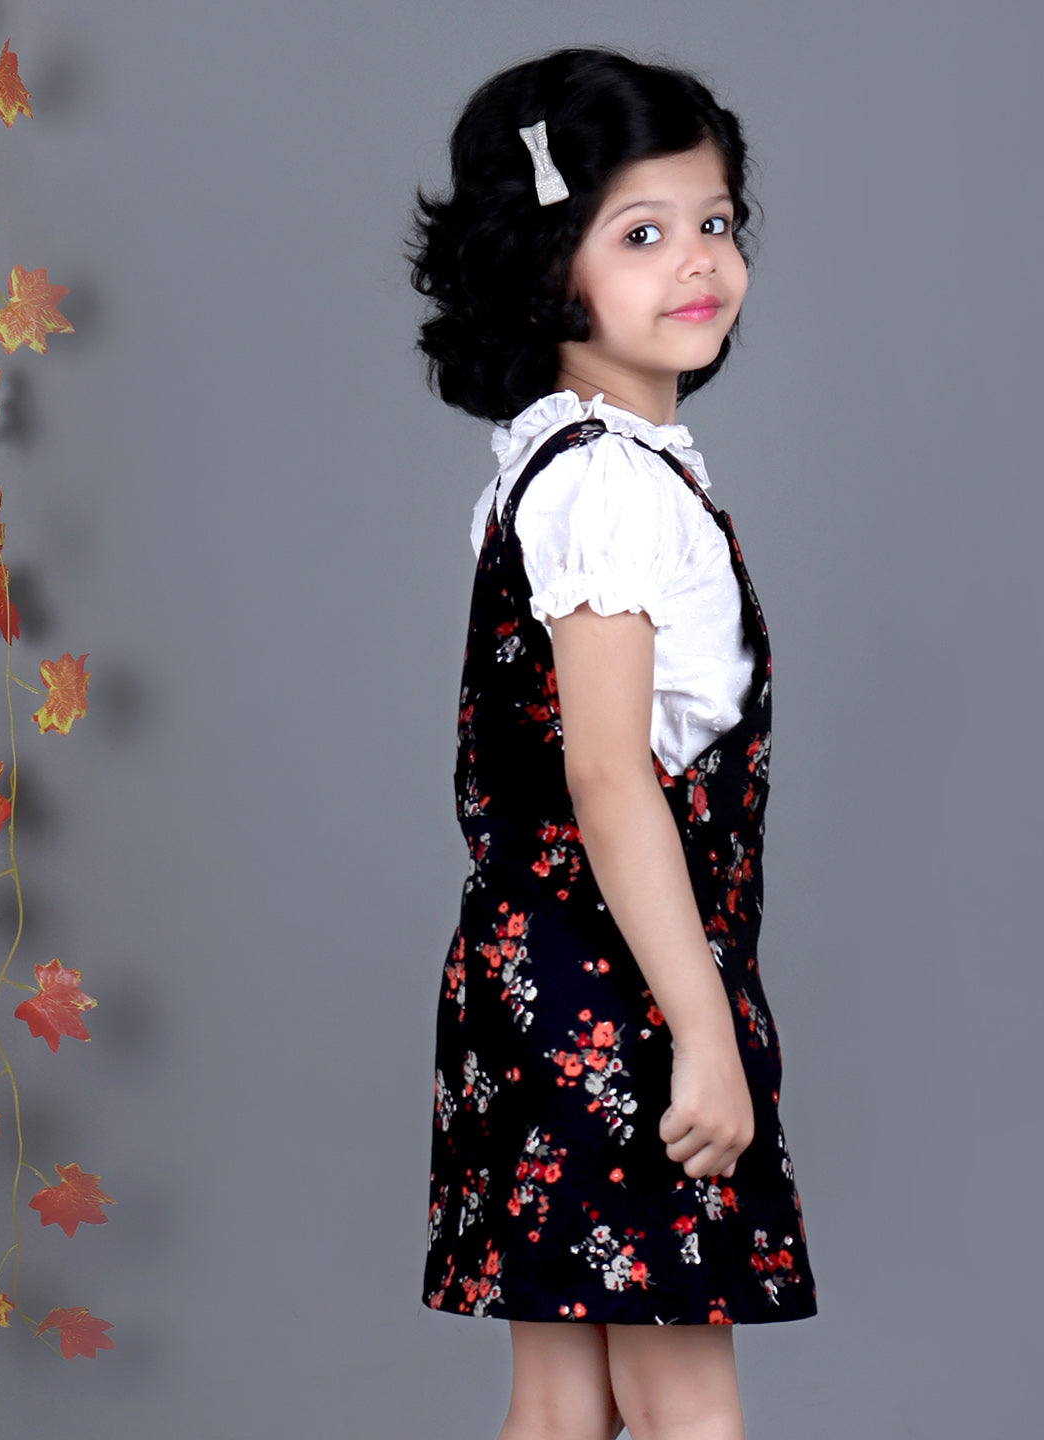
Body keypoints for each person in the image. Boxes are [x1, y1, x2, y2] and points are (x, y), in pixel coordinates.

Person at [406, 46, 818, 1440]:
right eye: (639, 233)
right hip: (625, 1006)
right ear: (542, 265)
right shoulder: (615, 494)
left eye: (714, 222)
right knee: (688, 1413)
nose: (697, 261)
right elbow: (603, 772)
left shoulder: (551, 465)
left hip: (529, 987)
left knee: (562, 1409)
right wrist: (703, 1034)